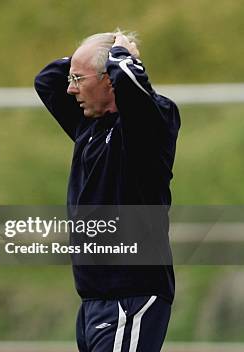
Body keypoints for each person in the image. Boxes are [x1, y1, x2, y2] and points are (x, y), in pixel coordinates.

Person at [34, 30, 180, 351]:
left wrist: (119, 55)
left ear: (109, 81)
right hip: (94, 297)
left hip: (130, 295)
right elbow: (46, 80)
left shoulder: (152, 121)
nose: (70, 88)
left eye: (78, 79)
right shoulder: (90, 123)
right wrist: (93, 55)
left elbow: (130, 84)